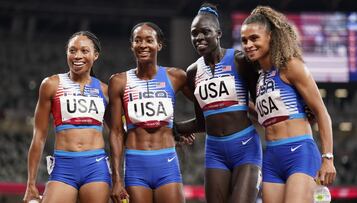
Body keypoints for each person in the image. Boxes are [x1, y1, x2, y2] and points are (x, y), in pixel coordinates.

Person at [240, 6, 336, 203]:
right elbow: (269, 117)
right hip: (273, 157)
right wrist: (242, 103)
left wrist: (328, 157)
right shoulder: (260, 79)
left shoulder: (291, 66)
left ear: (271, 37)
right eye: (244, 40)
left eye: (254, 38)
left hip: (300, 152)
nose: (248, 44)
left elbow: (321, 112)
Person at [175, 3, 263, 203]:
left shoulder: (240, 60)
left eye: (205, 32)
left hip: (245, 147)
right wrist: (173, 127)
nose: (198, 37)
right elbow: (202, 122)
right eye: (193, 33)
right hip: (215, 151)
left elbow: (262, 100)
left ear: (218, 33)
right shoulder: (193, 72)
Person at [108, 22, 193, 203]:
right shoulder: (119, 82)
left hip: (167, 163)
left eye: (149, 40)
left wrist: (184, 128)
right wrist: (116, 179)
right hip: (135, 165)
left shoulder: (176, 77)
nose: (143, 45)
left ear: (159, 45)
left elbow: (205, 105)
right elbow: (115, 132)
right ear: (132, 45)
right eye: (137, 40)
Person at [23, 31, 111, 203]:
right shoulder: (51, 85)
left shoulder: (105, 90)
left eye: (85, 51)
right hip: (64, 166)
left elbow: (118, 133)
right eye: (72, 50)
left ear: (96, 55)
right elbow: (39, 135)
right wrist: (31, 182)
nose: (77, 56)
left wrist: (119, 179)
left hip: (96, 166)